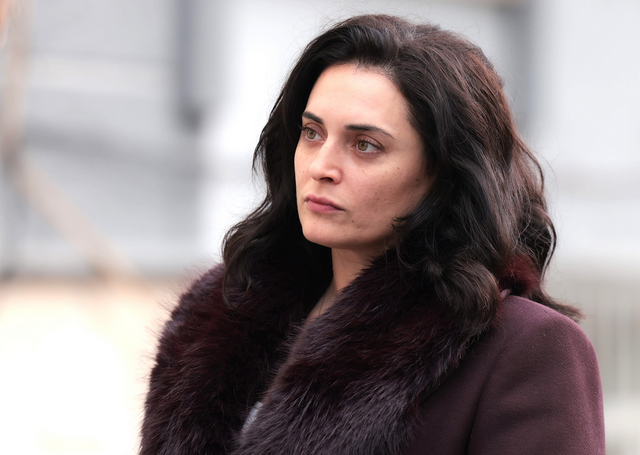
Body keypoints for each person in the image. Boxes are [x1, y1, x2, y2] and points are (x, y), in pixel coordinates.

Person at [140, 14, 605, 455]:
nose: (321, 167)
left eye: (365, 145)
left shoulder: (526, 347)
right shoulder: (217, 317)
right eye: (312, 133)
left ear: (444, 173)